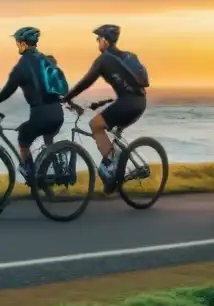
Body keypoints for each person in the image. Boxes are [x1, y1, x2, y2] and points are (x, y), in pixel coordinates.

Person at [62, 24, 149, 193]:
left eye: (98, 39)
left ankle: (111, 167)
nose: (97, 43)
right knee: (112, 133)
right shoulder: (129, 56)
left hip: (127, 103)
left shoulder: (104, 59)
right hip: (140, 103)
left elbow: (86, 81)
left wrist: (67, 97)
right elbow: (140, 82)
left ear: (105, 40)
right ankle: (114, 177)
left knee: (95, 125)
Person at [0, 26, 65, 183]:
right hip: (57, 114)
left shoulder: (22, 66)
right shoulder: (47, 61)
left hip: (40, 115)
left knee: (23, 137)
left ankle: (30, 173)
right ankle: (57, 171)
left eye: (17, 42)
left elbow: (8, 90)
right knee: (47, 136)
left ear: (22, 43)